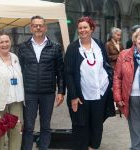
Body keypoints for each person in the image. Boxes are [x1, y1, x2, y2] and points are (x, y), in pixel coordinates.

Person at [64, 16, 115, 150]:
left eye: (85, 27)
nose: (82, 30)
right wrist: (74, 96)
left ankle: (93, 147)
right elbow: (68, 73)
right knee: (81, 126)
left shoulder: (99, 44)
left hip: (100, 93)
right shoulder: (72, 48)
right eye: (80, 28)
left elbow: (106, 65)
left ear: (91, 29)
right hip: (82, 96)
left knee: (97, 126)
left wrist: (110, 84)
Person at [18, 15, 65, 150]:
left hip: (48, 93)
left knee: (45, 126)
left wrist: (61, 91)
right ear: (31, 28)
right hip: (29, 93)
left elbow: (60, 71)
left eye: (40, 25)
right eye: (35, 25)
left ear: (45, 27)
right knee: (28, 126)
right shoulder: (23, 47)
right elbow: (19, 71)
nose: (38, 27)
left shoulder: (55, 47)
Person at [0, 31, 24, 150]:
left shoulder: (14, 57)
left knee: (16, 130)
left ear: (11, 42)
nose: (4, 44)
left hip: (16, 101)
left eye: (7, 41)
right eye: (1, 42)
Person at [113, 28, 140, 150]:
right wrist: (117, 97)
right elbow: (117, 77)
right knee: (135, 126)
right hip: (132, 96)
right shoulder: (124, 54)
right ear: (135, 39)